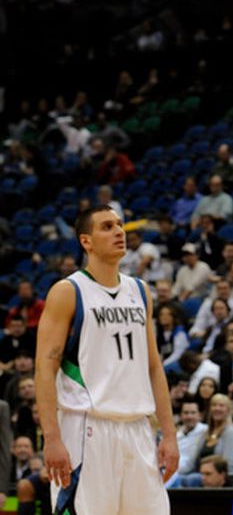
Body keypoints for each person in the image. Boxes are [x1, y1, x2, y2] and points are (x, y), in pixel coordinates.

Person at [35, 205, 177, 514]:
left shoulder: (140, 291)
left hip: (138, 428)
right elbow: (45, 369)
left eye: (120, 225)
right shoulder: (68, 291)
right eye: (107, 227)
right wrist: (52, 438)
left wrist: (169, 433)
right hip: (87, 428)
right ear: (86, 241)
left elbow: (153, 366)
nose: (119, 232)